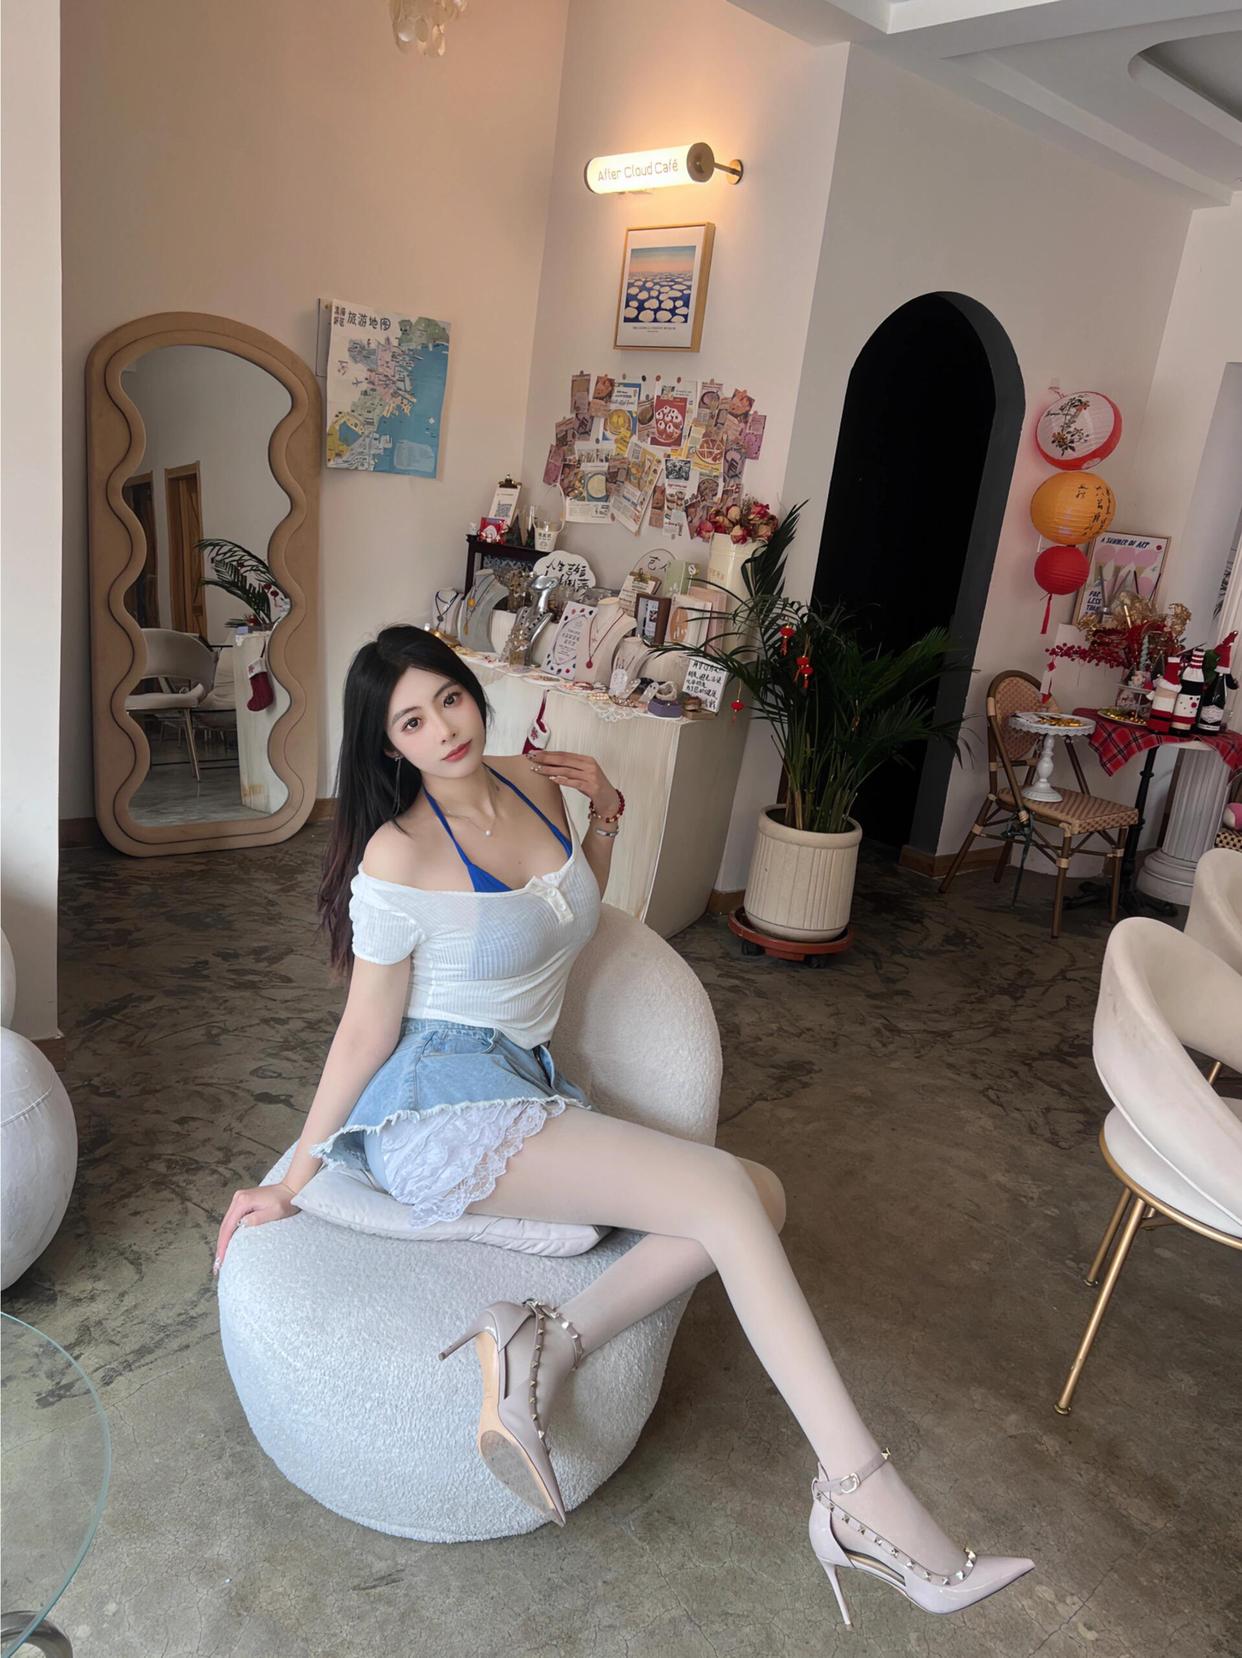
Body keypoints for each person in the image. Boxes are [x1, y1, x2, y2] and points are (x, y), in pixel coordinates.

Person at [213, 624, 1032, 1625]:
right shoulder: (400, 850)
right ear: (389, 745)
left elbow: (577, 913)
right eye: (412, 721)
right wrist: (291, 1179)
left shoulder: (532, 781)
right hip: (440, 1104)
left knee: (762, 1193)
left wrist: (606, 813)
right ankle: (861, 1492)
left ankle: (551, 1341)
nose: (444, 730)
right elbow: (364, 1031)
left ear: (474, 692)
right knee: (728, 1193)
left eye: (450, 699)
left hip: (521, 1078)